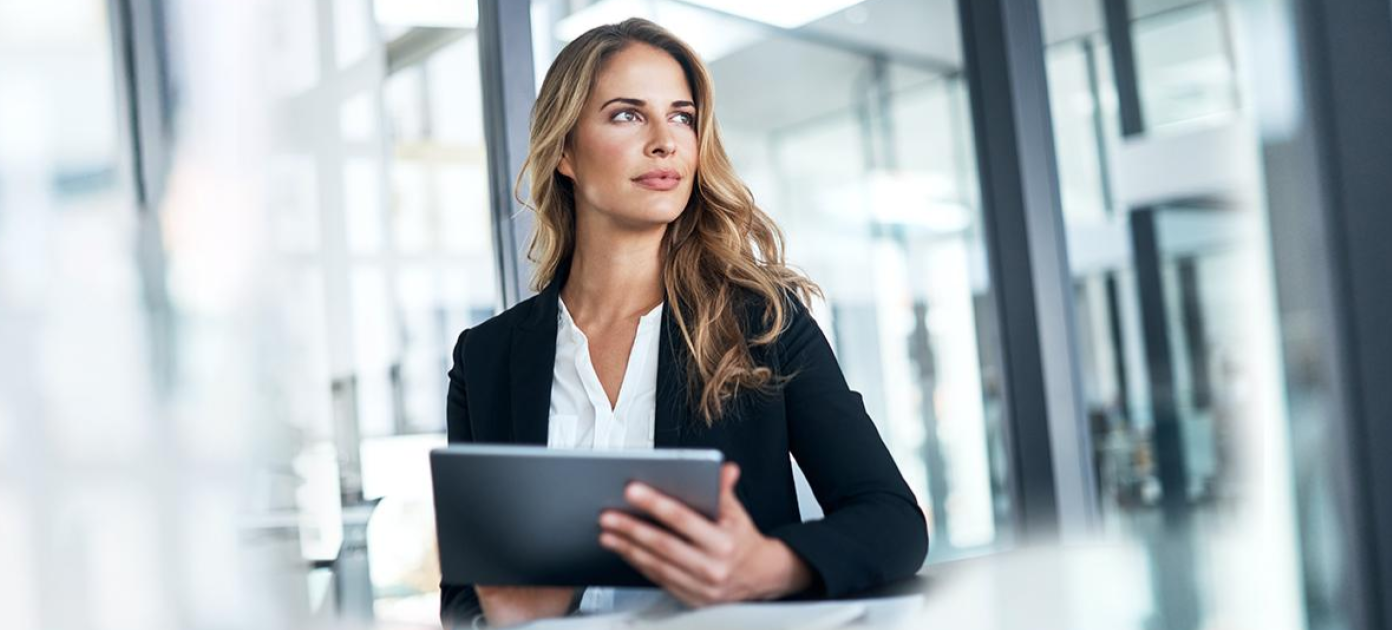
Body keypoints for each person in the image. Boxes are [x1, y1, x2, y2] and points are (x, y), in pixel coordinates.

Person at [440, 17, 927, 628]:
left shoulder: (762, 321)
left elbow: (892, 519)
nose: (665, 141)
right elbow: (462, 597)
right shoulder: (486, 358)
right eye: (626, 115)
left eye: (682, 116)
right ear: (564, 150)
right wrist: (503, 619)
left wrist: (768, 566)